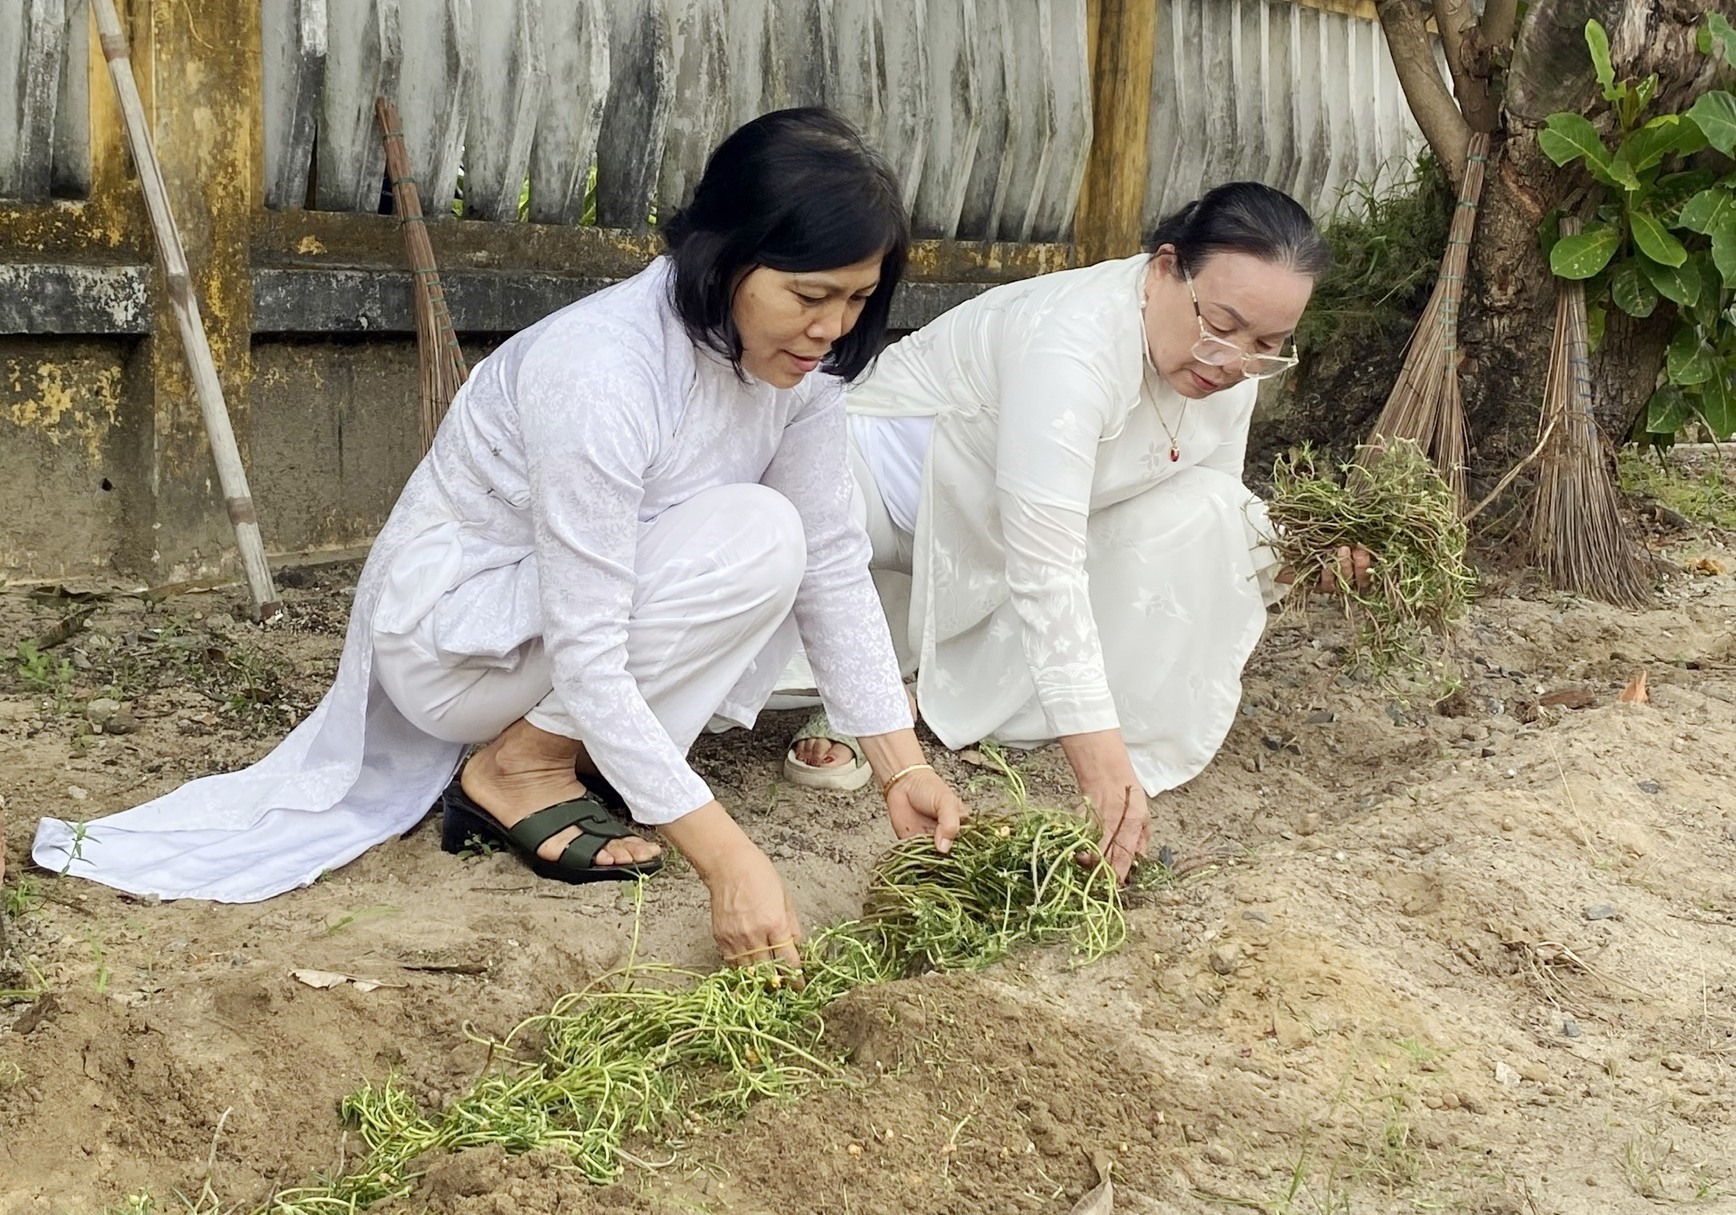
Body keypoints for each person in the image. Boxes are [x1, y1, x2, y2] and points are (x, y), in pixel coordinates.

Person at [34, 108, 967, 970]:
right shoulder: (603, 369)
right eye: (810, 294)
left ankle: (548, 755)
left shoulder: (794, 375)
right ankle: (518, 766)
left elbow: (835, 568)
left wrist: (901, 765)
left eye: (856, 299)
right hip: (452, 640)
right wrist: (729, 859)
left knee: (781, 539)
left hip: (550, 634)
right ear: (724, 256)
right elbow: (591, 650)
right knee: (754, 533)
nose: (831, 328)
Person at [781, 181, 1365, 882]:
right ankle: (860, 691)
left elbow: (1207, 499)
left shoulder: (1230, 368)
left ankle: (917, 683)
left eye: (1267, 343)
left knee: (1217, 511)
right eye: (1221, 324)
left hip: (1008, 532)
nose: (1232, 361)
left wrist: (1299, 557)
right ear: (1163, 271)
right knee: (799, 550)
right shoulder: (1072, 340)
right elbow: (1045, 568)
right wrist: (1106, 779)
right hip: (891, 497)